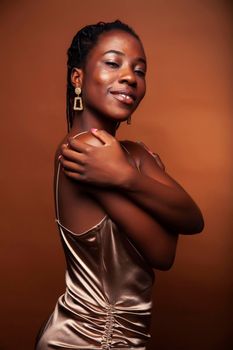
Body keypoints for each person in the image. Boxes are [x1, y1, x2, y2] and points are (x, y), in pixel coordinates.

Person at [35, 20, 204, 350]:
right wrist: (144, 181)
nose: (130, 77)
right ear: (78, 77)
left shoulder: (133, 154)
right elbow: (163, 252)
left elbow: (193, 219)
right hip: (88, 341)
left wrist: (129, 177)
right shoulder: (83, 150)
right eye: (113, 63)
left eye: (139, 71)